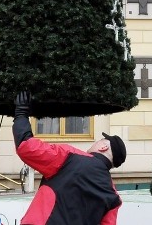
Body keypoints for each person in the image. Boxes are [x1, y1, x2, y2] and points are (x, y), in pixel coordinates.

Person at [13, 91, 125, 224]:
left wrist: (21, 114)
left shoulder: (70, 157)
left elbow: (27, 147)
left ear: (103, 147)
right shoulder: (114, 197)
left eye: (100, 140)